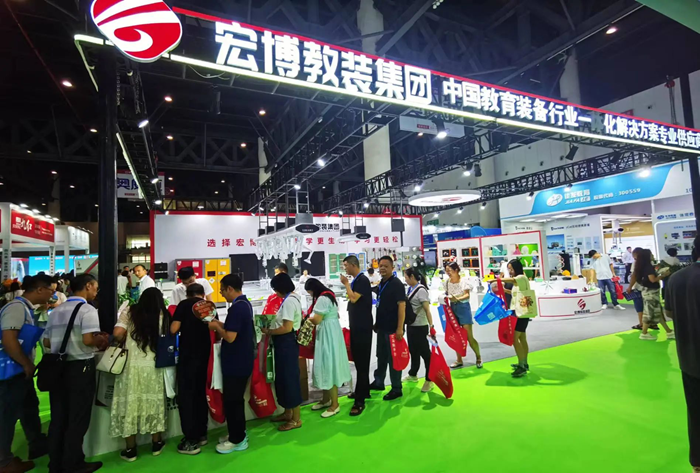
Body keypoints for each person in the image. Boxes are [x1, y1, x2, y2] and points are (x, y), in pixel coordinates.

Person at [43, 273, 109, 473]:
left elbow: (46, 342)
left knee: (58, 417)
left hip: (58, 369)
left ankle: (55, 463)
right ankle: (73, 463)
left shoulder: (56, 310)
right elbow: (88, 340)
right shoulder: (87, 309)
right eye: (95, 287)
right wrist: (101, 340)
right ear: (88, 286)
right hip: (80, 368)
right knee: (77, 417)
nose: (96, 291)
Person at [0, 274, 52, 473]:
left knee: (29, 407)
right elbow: (9, 339)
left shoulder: (26, 309)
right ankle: (4, 461)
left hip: (19, 370)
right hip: (12, 371)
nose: (52, 294)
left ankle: (36, 443)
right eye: (50, 290)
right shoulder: (16, 308)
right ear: (39, 290)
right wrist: (26, 364)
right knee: (7, 415)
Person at [110, 287, 169, 462]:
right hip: (153, 366)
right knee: (154, 403)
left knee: (129, 404)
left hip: (130, 366)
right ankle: (156, 444)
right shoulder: (163, 315)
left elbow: (117, 334)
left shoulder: (130, 311)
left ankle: (131, 450)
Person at [664, 235, 700, 473]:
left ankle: (697, 463)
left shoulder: (677, 278)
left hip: (689, 357)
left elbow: (669, 313)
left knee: (695, 412)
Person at [208, 274, 254, 454]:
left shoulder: (237, 308)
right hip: (241, 361)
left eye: (222, 290)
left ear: (230, 289)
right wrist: (218, 323)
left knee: (233, 401)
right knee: (235, 400)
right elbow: (232, 328)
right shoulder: (244, 304)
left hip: (236, 363)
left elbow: (230, 336)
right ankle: (237, 432)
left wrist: (215, 327)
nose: (221, 294)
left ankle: (237, 440)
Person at [170, 284, 213, 455]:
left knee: (187, 397)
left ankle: (190, 440)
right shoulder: (208, 306)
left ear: (187, 294)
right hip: (204, 356)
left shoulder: (184, 305)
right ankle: (202, 433)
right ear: (203, 294)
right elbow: (214, 329)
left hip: (188, 357)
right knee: (200, 394)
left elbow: (174, 329)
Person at [261, 273, 303, 431]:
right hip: (284, 344)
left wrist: (269, 331)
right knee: (283, 379)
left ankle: (296, 419)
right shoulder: (292, 299)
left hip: (287, 343)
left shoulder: (289, 302)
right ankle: (288, 412)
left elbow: (287, 327)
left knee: (290, 379)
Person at [304, 278, 351, 418]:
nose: (310, 295)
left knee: (328, 365)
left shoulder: (322, 299)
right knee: (326, 364)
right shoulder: (329, 295)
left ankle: (334, 404)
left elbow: (317, 319)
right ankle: (326, 399)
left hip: (327, 334)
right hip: (331, 332)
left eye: (310, 292)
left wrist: (306, 319)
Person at [368, 256, 406, 401]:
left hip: (393, 329)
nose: (382, 268)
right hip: (382, 327)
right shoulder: (382, 283)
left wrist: (400, 328)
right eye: (381, 266)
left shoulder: (396, 284)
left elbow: (402, 306)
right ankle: (379, 382)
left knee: (394, 358)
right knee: (381, 355)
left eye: (386, 266)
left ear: (392, 268)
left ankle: (396, 388)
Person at [340, 256, 373, 416]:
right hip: (357, 326)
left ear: (353, 265)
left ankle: (360, 401)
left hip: (362, 327)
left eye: (346, 265)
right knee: (360, 362)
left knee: (361, 362)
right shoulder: (357, 280)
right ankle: (363, 391)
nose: (345, 268)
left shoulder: (362, 280)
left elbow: (353, 299)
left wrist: (346, 284)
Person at [444, 262, 483, 369]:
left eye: (449, 270)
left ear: (456, 270)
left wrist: (456, 298)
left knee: (469, 336)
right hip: (452, 308)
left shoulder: (464, 281)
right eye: (446, 270)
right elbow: (446, 294)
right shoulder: (447, 282)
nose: (448, 273)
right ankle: (459, 360)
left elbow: (467, 295)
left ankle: (478, 357)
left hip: (463, 308)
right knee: (456, 336)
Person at [498, 259, 532, 378]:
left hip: (521, 313)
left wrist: (498, 279)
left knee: (514, 338)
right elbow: (514, 293)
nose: (510, 271)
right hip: (520, 312)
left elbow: (512, 280)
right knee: (522, 338)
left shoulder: (521, 277)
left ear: (517, 268)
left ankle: (522, 366)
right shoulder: (520, 281)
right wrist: (504, 291)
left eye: (511, 269)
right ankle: (524, 362)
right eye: (509, 269)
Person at [403, 267, 435, 392]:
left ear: (412, 277)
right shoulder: (410, 289)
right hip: (411, 325)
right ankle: (413, 374)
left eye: (406, 277)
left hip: (421, 326)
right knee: (413, 351)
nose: (405, 280)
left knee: (425, 353)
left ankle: (429, 379)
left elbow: (427, 309)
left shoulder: (421, 290)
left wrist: (431, 326)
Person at [634, 249, 675, 341]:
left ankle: (668, 331)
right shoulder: (648, 267)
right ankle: (644, 333)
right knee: (650, 313)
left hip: (648, 292)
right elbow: (652, 280)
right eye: (651, 254)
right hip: (651, 293)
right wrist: (663, 275)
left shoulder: (642, 266)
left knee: (657, 312)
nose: (652, 255)